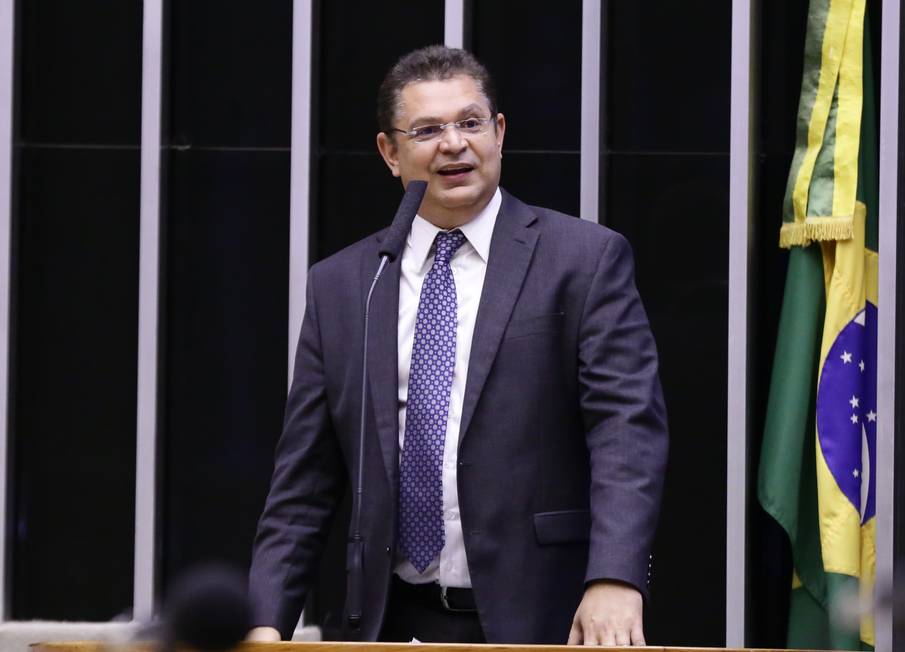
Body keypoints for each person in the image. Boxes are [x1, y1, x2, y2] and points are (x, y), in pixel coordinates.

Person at [247, 45, 667, 646]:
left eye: (470, 122)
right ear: (390, 153)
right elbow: (303, 481)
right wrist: (265, 620)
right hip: (390, 619)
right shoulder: (344, 285)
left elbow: (627, 432)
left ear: (498, 133)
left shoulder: (583, 260)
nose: (453, 143)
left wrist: (615, 578)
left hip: (545, 615)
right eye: (427, 130)